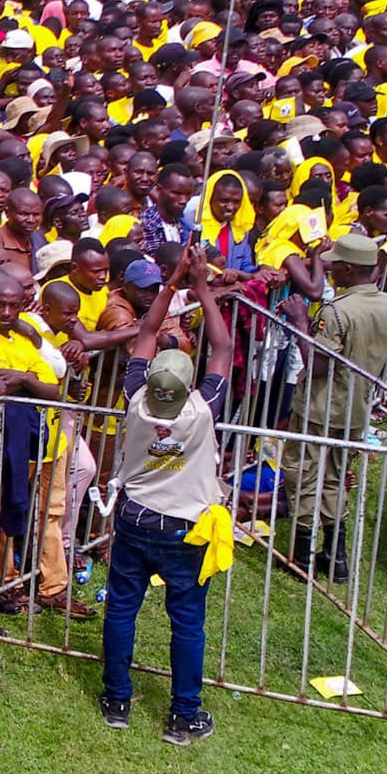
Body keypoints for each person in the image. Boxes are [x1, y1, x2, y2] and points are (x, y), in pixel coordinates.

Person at [103, 250, 237, 744]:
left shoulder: (136, 401)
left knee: (122, 608)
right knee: (187, 623)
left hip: (135, 519)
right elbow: (222, 347)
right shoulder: (201, 411)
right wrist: (201, 285)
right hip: (185, 528)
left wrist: (171, 283)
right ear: (188, 385)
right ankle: (183, 716)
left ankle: (117, 701)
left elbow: (143, 334)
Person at [295, 232, 387, 580]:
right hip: (357, 408)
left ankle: (301, 555)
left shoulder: (336, 311)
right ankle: (336, 556)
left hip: (321, 406)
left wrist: (300, 324)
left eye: (335, 266)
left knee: (304, 475)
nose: (330, 271)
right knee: (336, 477)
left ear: (347, 269)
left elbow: (317, 365)